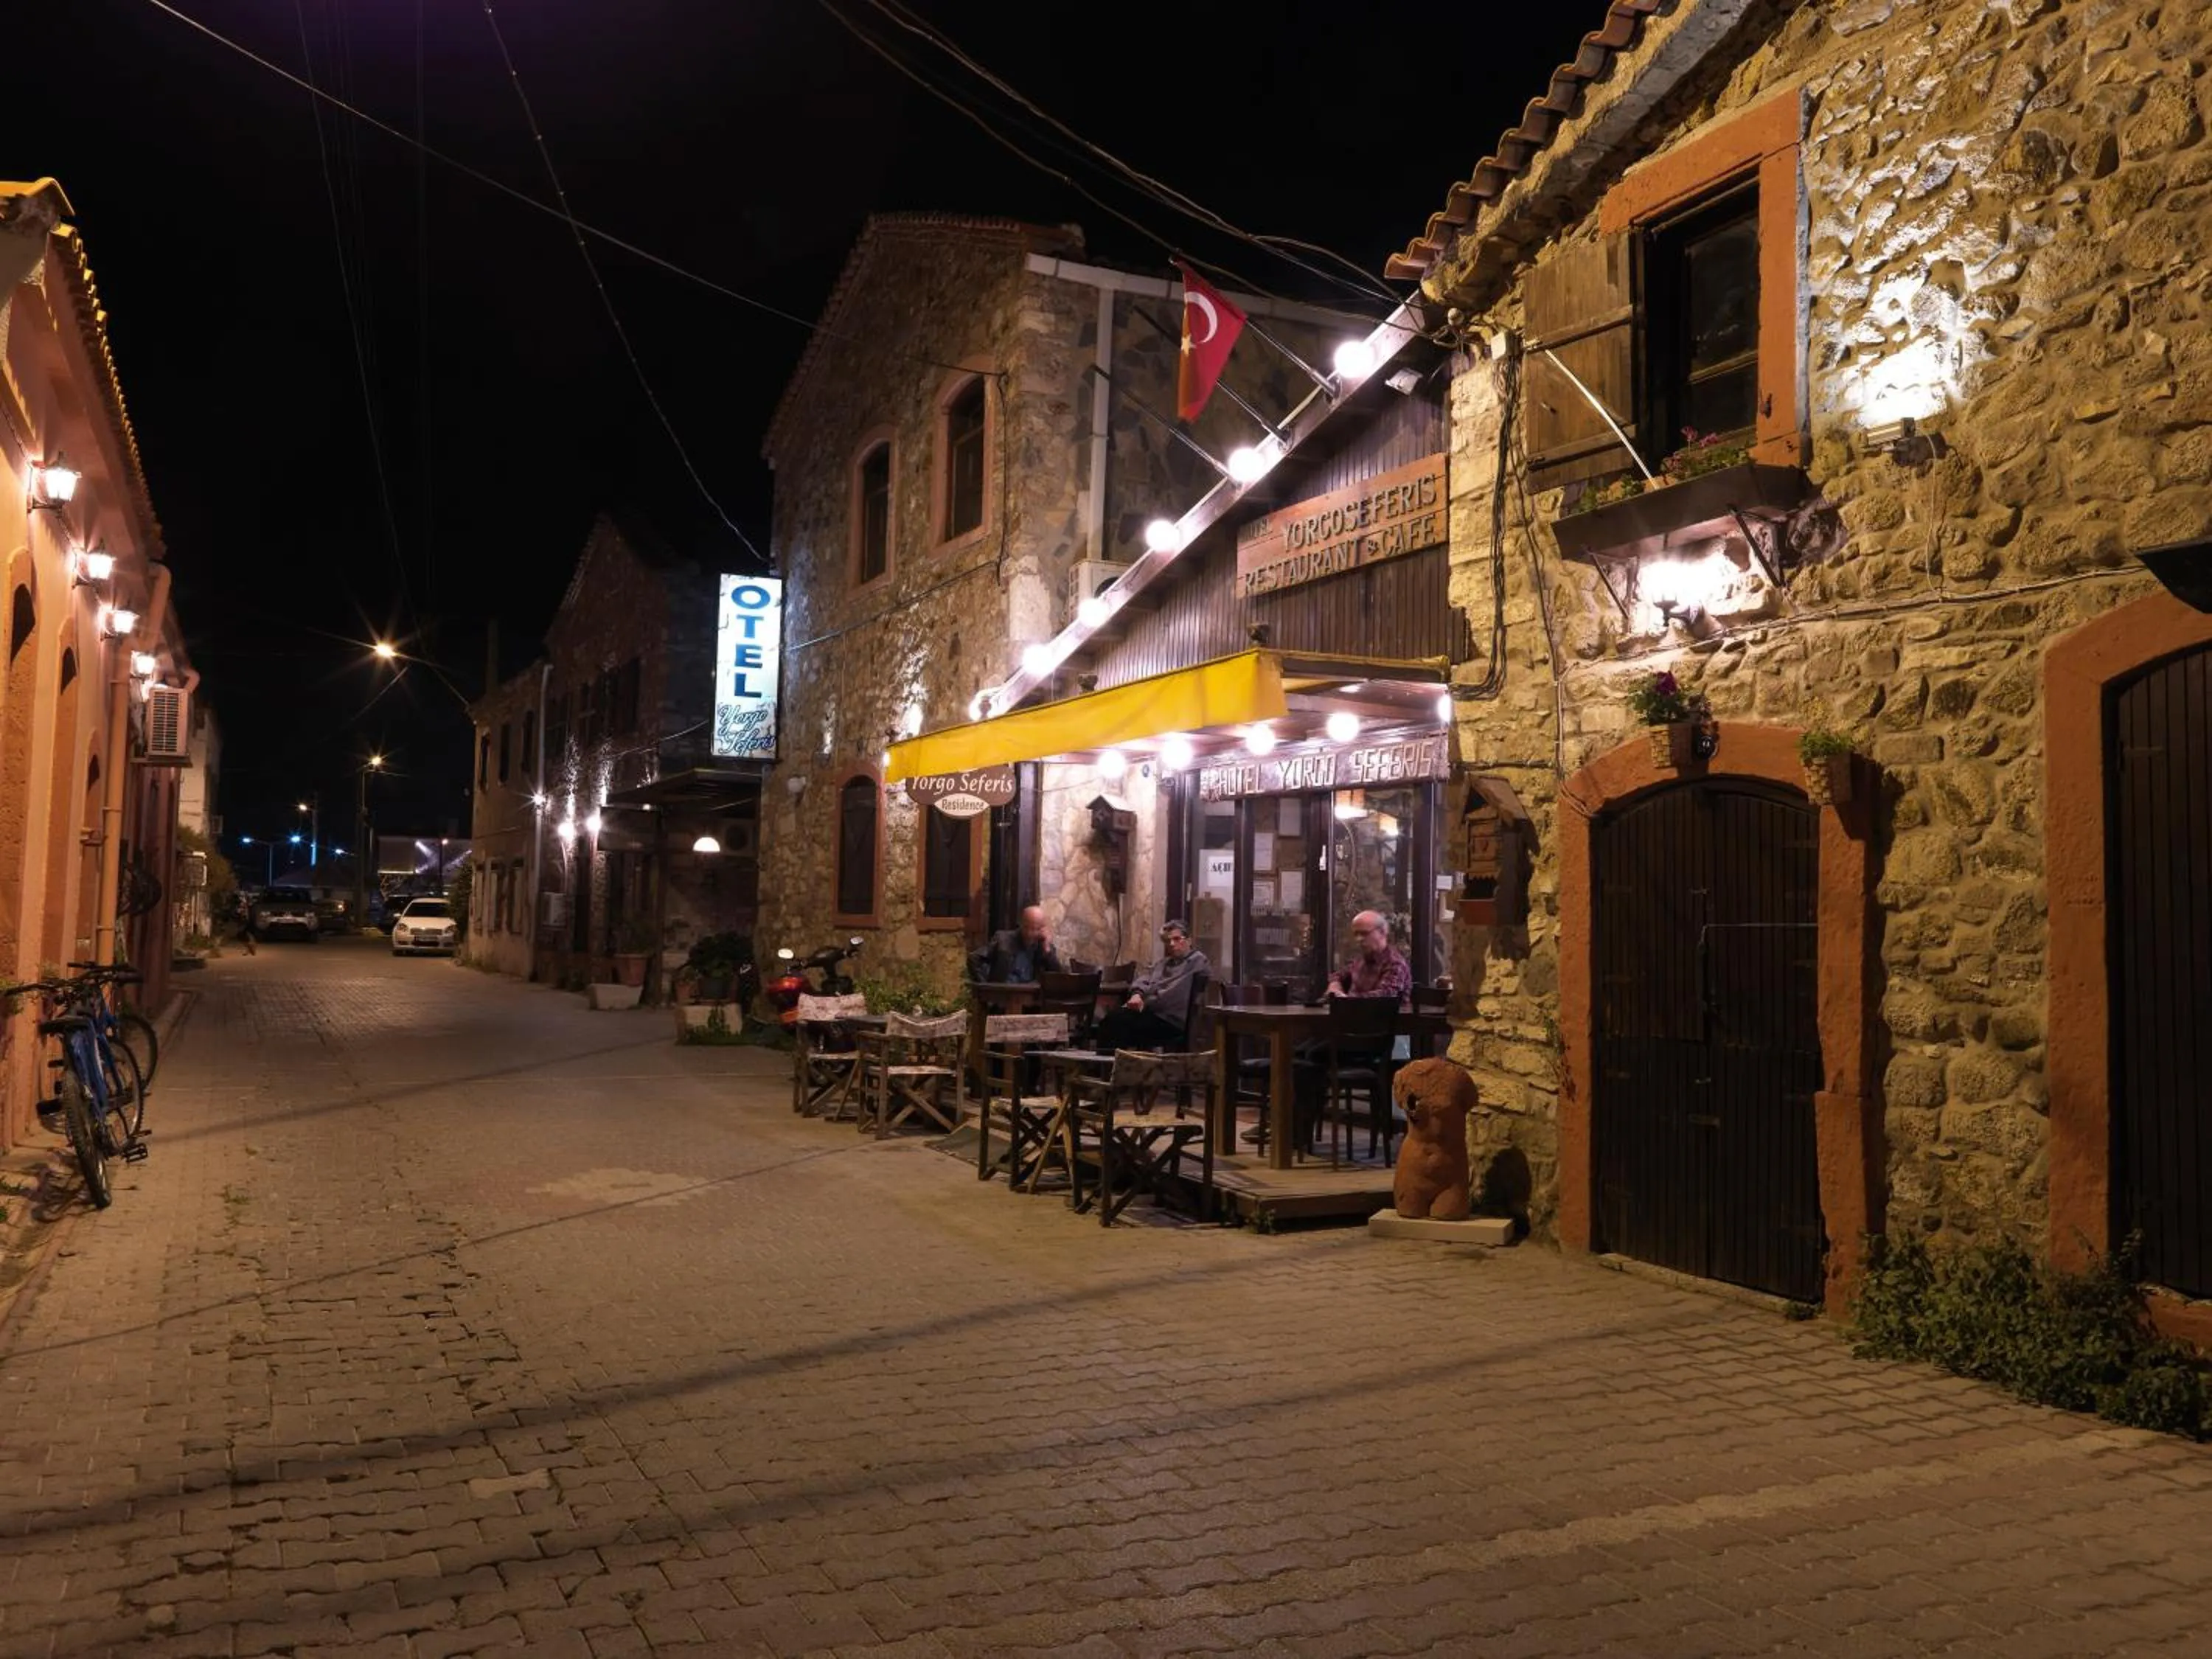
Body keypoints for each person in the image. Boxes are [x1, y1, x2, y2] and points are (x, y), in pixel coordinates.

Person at [1093, 919, 1209, 1052]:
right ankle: (1112, 1062)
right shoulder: (1165, 963)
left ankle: (1113, 1063)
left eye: (1177, 939)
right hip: (1154, 1013)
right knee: (1112, 1019)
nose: (1172, 944)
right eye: (1168, 941)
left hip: (1171, 1020)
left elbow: (1171, 996)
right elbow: (1144, 979)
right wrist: (1137, 995)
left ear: (1189, 940)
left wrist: (1144, 1002)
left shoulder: (1196, 961)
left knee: (1116, 1023)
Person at [969, 905, 1063, 984]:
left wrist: (1047, 950)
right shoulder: (1003, 940)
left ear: (1042, 929)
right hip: (1003, 994)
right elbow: (974, 958)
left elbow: (1059, 977)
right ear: (1021, 923)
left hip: (1031, 996)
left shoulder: (1044, 947)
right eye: (1026, 927)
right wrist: (986, 986)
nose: (1029, 933)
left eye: (1034, 929)